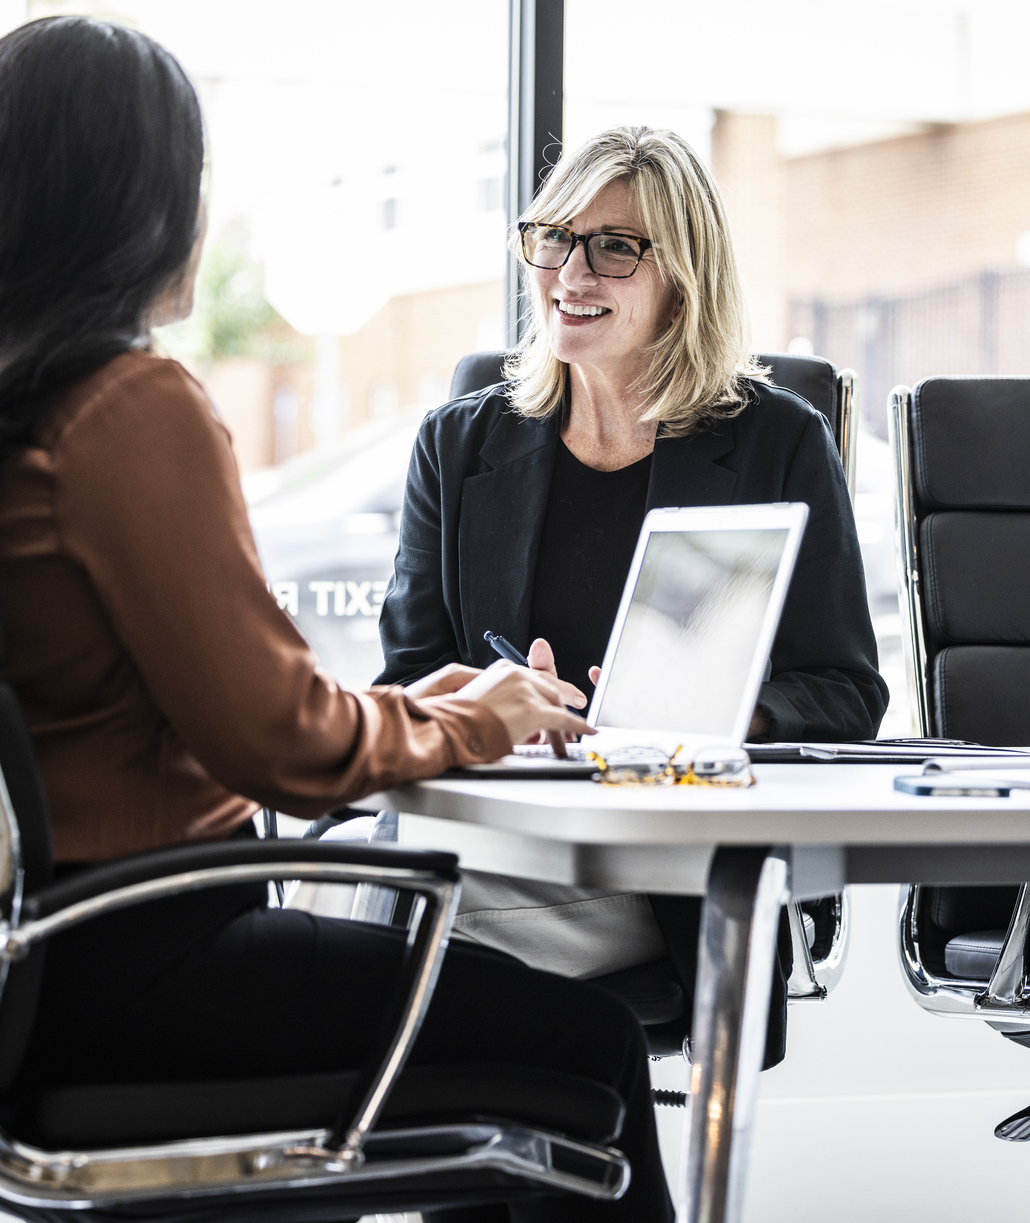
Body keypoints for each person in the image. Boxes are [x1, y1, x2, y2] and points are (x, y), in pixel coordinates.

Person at [0, 16, 672, 1223]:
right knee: (579, 1044)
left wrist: (429, 707)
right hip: (146, 969)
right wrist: (470, 728)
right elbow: (287, 751)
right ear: (141, 201)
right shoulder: (128, 404)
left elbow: (211, 711)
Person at [374, 125, 888, 986]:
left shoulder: (777, 443)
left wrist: (709, 714)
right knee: (357, 892)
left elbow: (845, 690)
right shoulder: (459, 446)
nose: (571, 276)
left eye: (615, 249)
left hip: (673, 870)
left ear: (682, 278)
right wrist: (496, 713)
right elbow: (409, 679)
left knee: (399, 929)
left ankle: (523, 1118)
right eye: (555, 240)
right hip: (501, 833)